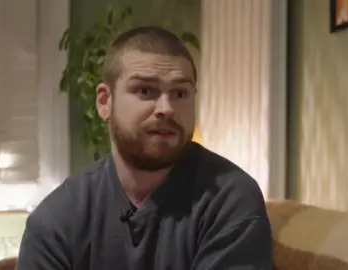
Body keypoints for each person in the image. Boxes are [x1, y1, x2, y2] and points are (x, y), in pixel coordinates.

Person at [17, 26, 272, 270]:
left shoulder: (229, 199)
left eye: (180, 93)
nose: (166, 108)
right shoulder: (58, 218)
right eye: (145, 90)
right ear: (105, 102)